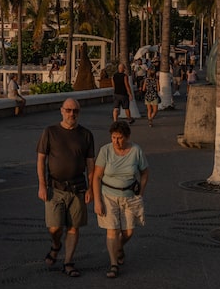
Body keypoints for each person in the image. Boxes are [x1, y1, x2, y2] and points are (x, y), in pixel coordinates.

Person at [37, 98, 95, 278]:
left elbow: (90, 164)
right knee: (54, 227)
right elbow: (41, 159)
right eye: (68, 110)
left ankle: (68, 262)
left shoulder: (86, 134)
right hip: (55, 187)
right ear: (62, 111)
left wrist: (91, 188)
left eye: (75, 111)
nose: (72, 114)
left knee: (73, 227)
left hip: (78, 188)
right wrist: (42, 185)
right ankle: (56, 245)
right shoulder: (50, 132)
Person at [92, 121, 149, 279]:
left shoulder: (136, 150)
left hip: (129, 196)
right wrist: (97, 200)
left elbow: (145, 173)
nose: (116, 141)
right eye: (113, 137)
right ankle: (114, 264)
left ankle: (118, 248)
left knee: (128, 231)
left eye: (120, 138)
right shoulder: (105, 151)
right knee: (112, 230)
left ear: (127, 137)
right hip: (108, 195)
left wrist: (141, 193)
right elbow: (96, 177)